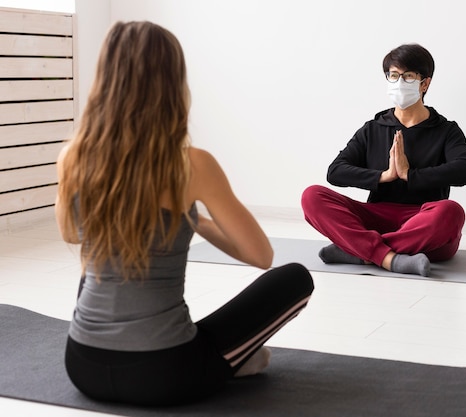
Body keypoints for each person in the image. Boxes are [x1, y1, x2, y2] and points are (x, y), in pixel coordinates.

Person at [55, 21, 314, 406]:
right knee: (294, 278)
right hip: (163, 375)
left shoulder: (73, 156)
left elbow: (73, 235)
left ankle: (223, 362)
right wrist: (196, 219)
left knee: (98, 258)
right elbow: (261, 256)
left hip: (83, 366)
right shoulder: (190, 165)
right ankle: (228, 363)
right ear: (173, 84)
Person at [301, 43, 466, 277]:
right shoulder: (373, 128)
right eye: (393, 76)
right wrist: (383, 176)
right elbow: (335, 172)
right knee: (312, 195)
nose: (399, 82)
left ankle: (359, 250)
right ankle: (389, 257)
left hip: (423, 222)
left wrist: (409, 175)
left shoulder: (446, 130)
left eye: (408, 76)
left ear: (425, 83)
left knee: (451, 212)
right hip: (376, 217)